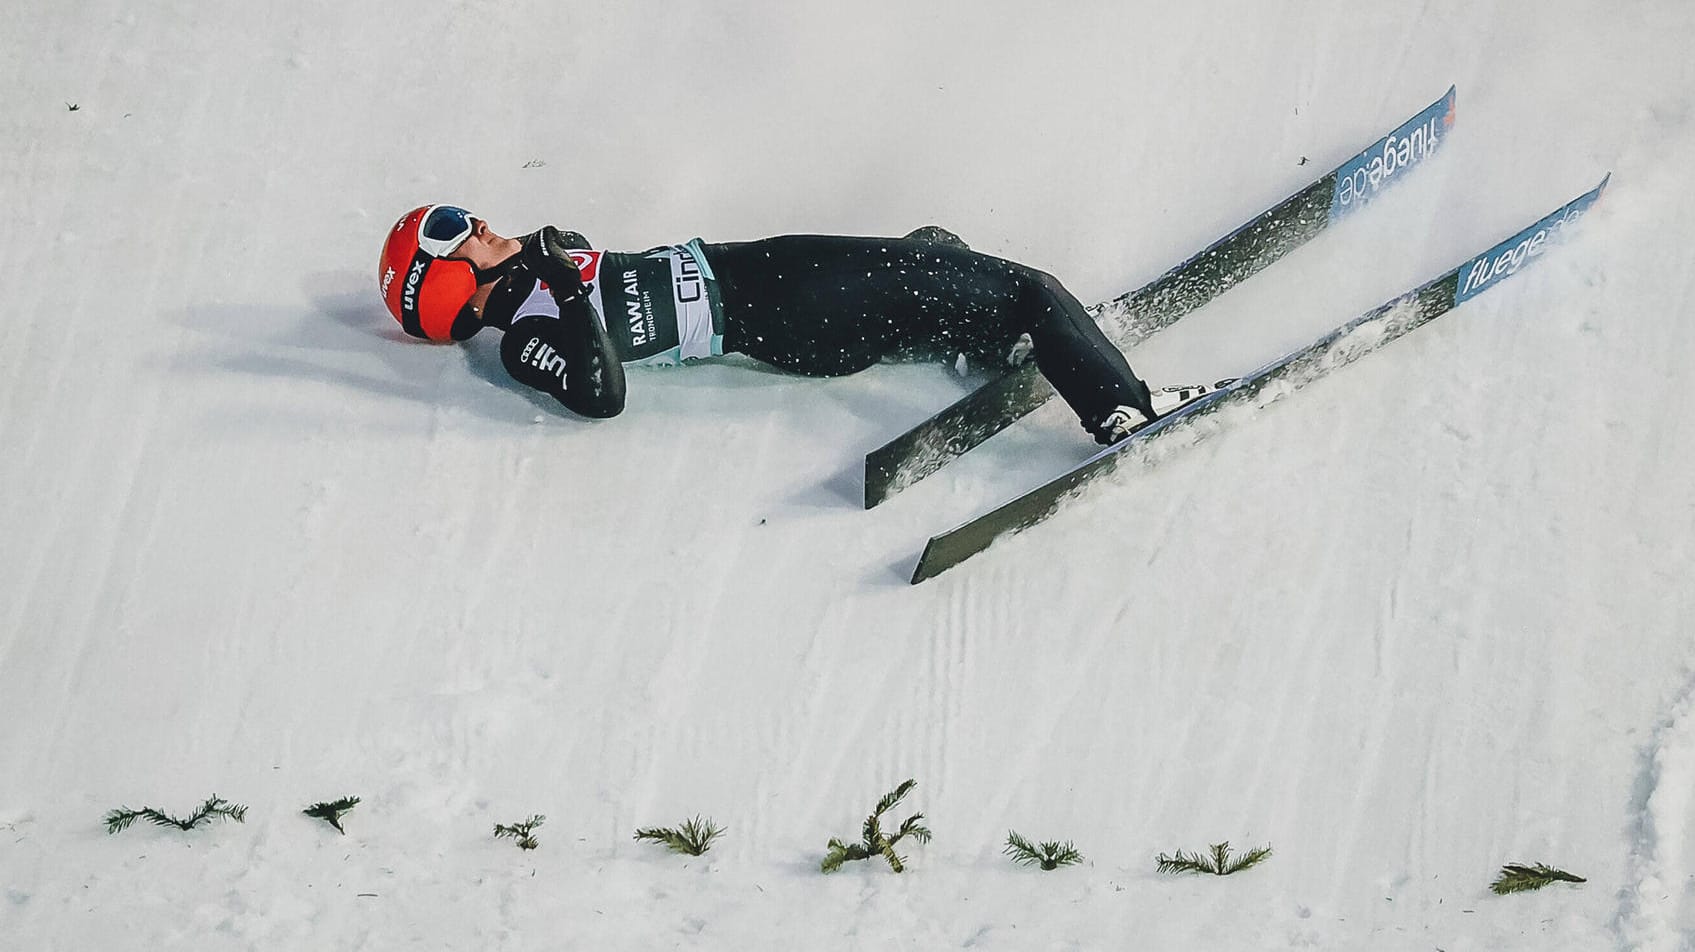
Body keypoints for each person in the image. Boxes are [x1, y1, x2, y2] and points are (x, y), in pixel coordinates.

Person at [377, 205, 1158, 443]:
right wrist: (556, 283)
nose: (475, 221)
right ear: (440, 282)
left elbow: (587, 265)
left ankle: (998, 348)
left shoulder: (555, 263)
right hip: (780, 309)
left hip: (775, 276)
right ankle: (1119, 410)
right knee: (1027, 288)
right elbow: (596, 395)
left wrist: (555, 269)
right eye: (450, 231)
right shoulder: (525, 340)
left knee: (932, 250)